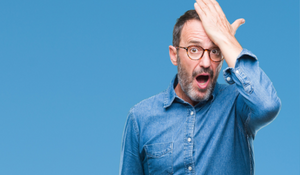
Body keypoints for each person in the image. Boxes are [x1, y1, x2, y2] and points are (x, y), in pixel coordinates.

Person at [119, 0, 281, 174]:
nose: (206, 63)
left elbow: (268, 105)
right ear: (174, 55)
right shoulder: (140, 118)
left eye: (215, 51)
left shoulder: (237, 105)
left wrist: (226, 39)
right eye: (194, 50)